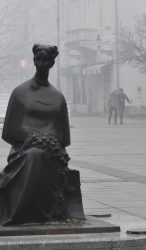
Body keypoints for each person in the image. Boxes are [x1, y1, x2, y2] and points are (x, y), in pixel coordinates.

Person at [0, 44, 85, 226]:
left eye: (45, 60)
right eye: (38, 59)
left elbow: (63, 136)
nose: (41, 63)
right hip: (22, 151)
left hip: (52, 152)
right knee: (34, 155)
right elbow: (8, 131)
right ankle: (20, 214)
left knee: (40, 155)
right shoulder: (20, 93)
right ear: (33, 61)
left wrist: (47, 140)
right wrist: (34, 139)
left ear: (52, 63)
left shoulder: (57, 97)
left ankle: (37, 213)